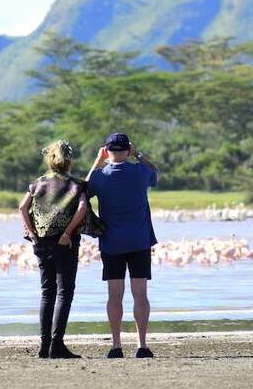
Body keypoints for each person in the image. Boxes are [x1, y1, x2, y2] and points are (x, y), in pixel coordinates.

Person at [86, 132, 159, 359]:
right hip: (139, 241)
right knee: (140, 294)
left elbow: (83, 188)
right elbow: (157, 173)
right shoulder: (140, 171)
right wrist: (140, 155)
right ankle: (142, 345)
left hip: (111, 243)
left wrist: (97, 162)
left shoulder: (100, 176)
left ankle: (117, 345)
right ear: (128, 150)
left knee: (114, 295)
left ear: (107, 151)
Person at [19, 139, 88, 359]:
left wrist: (31, 233)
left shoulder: (37, 183)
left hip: (41, 242)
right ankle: (57, 345)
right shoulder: (76, 184)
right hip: (64, 243)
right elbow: (83, 208)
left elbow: (22, 207)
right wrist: (68, 233)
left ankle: (44, 346)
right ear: (69, 160)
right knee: (64, 292)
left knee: (47, 293)